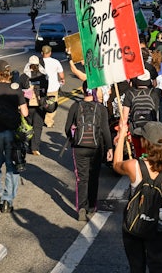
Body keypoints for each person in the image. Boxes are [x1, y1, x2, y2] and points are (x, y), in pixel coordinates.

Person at [113, 121, 162, 273]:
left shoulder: (134, 165)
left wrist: (121, 136)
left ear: (145, 142)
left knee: (136, 266)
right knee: (158, 265)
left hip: (134, 221)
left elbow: (116, 164)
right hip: (158, 222)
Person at [0, 60, 29, 214]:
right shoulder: (17, 90)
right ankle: (7, 201)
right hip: (12, 134)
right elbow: (25, 113)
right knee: (12, 166)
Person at [65, 83, 114, 221]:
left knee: (81, 178)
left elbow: (67, 128)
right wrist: (109, 148)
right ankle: (91, 206)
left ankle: (81, 207)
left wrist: (73, 139)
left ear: (82, 90)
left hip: (79, 147)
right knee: (93, 177)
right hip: (96, 147)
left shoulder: (75, 106)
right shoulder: (101, 108)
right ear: (96, 91)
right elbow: (105, 130)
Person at [21, 56, 48, 155]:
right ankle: (35, 148)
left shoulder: (24, 76)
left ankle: (27, 144)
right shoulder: (43, 76)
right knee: (38, 126)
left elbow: (19, 90)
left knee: (28, 125)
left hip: (27, 105)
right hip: (40, 104)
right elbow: (46, 89)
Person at [41, 45, 65, 127]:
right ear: (50, 53)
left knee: (40, 102)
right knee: (51, 105)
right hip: (52, 87)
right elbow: (61, 74)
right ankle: (49, 121)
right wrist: (62, 79)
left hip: (41, 87)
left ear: (42, 53)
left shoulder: (38, 62)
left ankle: (40, 118)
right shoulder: (55, 62)